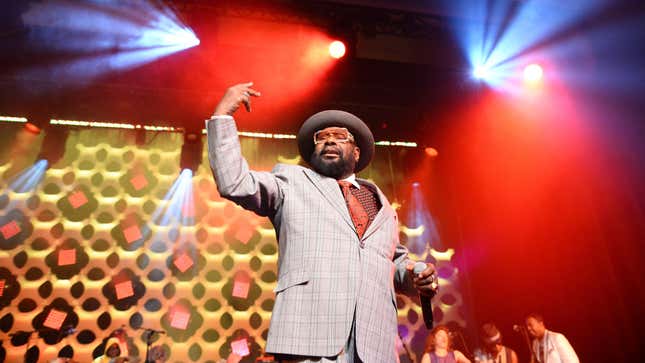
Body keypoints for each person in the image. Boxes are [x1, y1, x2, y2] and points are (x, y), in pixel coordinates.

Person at [206, 82, 438, 363]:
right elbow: (235, 182)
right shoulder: (291, 181)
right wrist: (222, 116)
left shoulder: (382, 204)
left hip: (375, 346)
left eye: (339, 136)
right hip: (310, 337)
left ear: (356, 153)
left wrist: (417, 277)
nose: (328, 140)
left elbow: (394, 262)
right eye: (321, 137)